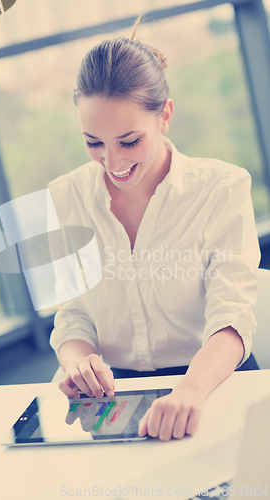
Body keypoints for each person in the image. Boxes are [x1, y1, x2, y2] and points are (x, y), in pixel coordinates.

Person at [48, 20, 260, 442]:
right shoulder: (66, 196)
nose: (112, 162)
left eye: (128, 141)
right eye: (94, 142)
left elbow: (233, 317)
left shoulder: (222, 188)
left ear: (165, 115)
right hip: (117, 394)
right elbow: (73, 316)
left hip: (211, 382)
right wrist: (79, 363)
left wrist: (191, 391)